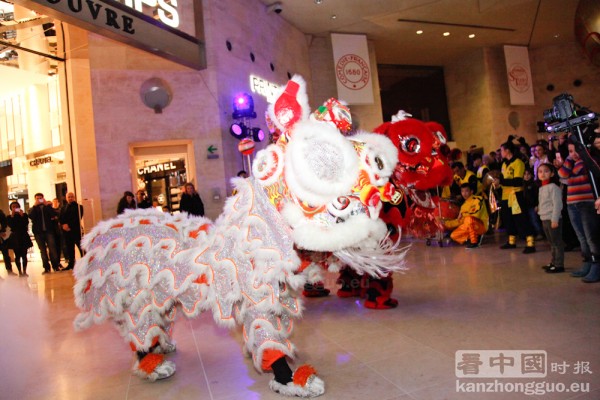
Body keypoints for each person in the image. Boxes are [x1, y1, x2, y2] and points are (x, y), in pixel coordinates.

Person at [556, 143, 600, 283]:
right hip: (572, 203)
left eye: (576, 151)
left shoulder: (587, 162)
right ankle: (587, 261)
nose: (573, 154)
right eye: (570, 151)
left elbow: (570, 176)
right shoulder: (571, 162)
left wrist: (569, 172)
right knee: (581, 237)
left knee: (591, 237)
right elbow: (561, 174)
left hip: (586, 202)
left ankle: (596, 264)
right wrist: (569, 159)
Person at [494, 139, 536, 253]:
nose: (500, 153)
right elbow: (503, 179)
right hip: (505, 195)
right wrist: (498, 184)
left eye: (502, 150)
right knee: (508, 219)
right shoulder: (504, 164)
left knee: (522, 219)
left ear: (507, 151)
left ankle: (530, 242)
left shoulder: (518, 163)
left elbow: (517, 181)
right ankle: (511, 241)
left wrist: (502, 181)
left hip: (516, 195)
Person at [536, 163, 564, 273]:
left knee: (557, 242)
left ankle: (559, 264)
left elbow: (557, 204)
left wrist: (555, 219)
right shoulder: (542, 187)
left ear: (552, 173)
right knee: (551, 242)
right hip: (544, 218)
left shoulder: (553, 187)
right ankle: (553, 261)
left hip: (552, 219)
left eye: (546, 171)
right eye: (540, 171)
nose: (543, 174)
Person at [443, 183, 489, 248]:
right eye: (462, 191)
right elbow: (460, 221)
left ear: (471, 191)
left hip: (480, 225)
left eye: (466, 191)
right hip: (469, 225)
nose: (464, 193)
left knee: (469, 219)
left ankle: (474, 242)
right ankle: (472, 237)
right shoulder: (463, 206)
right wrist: (445, 223)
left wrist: (464, 214)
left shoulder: (478, 199)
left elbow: (475, 214)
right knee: (453, 235)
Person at [29, 192, 62, 273]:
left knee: (52, 248)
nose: (39, 200)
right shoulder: (33, 208)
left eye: (41, 198)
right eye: (37, 198)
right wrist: (34, 206)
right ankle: (46, 267)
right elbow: (31, 216)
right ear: (35, 199)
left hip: (49, 231)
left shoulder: (47, 207)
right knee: (42, 250)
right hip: (38, 232)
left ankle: (55, 266)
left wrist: (46, 205)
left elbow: (53, 214)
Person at [6, 201, 33, 277]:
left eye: (16, 206)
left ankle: (24, 271)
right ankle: (20, 271)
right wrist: (12, 216)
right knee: (17, 255)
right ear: (11, 208)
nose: (15, 208)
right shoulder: (9, 217)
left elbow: (25, 224)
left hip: (23, 235)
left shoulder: (24, 215)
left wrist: (21, 215)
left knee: (24, 254)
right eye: (13, 207)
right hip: (15, 237)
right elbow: (11, 225)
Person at [60, 192, 84, 271]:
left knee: (81, 247)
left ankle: (85, 263)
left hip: (75, 230)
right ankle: (71, 264)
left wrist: (69, 225)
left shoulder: (79, 207)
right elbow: (61, 217)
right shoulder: (63, 207)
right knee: (69, 248)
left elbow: (77, 218)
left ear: (74, 197)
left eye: (71, 196)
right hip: (66, 231)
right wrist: (63, 225)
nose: (70, 198)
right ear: (66, 198)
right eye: (68, 197)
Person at [523, 168, 543, 239]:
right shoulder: (522, 185)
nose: (526, 176)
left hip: (532, 206)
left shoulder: (534, 185)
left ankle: (539, 232)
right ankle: (532, 233)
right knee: (529, 220)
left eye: (528, 174)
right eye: (525, 174)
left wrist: (537, 205)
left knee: (534, 220)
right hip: (525, 206)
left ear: (531, 175)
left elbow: (537, 196)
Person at [0, 208, 15, 275]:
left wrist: (2, 230)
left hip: (1, 236)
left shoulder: (0, 212)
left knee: (5, 254)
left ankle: (9, 270)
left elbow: (4, 222)